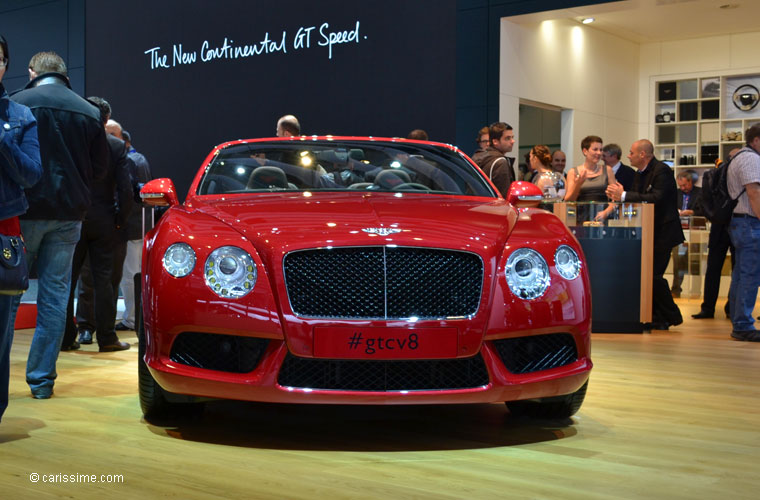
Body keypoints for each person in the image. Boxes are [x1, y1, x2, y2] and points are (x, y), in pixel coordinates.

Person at [10, 51, 109, 399]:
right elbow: (100, 170)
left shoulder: (17, 103)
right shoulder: (90, 111)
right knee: (55, 297)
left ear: (32, 72)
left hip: (21, 212)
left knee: (8, 295)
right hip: (69, 215)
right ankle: (41, 381)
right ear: (65, 75)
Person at [60, 97, 133, 352]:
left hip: (73, 217)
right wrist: (120, 220)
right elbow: (125, 189)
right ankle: (107, 338)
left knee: (66, 281)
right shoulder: (115, 145)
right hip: (105, 220)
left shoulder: (71, 142)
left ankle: (66, 337)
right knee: (105, 281)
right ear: (106, 117)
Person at [0, 34, 43, 420]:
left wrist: (1, 140)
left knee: (0, 339)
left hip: (3, 237)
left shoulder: (19, 116)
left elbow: (31, 175)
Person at [606, 139, 685, 330]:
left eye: (632, 152)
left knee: (654, 275)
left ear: (642, 155)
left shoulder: (661, 171)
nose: (628, 156)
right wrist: (622, 195)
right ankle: (658, 316)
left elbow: (656, 198)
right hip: (650, 231)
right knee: (649, 275)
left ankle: (672, 315)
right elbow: (638, 196)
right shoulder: (640, 174)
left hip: (663, 233)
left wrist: (623, 195)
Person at [693, 150, 741, 319]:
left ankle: (729, 306)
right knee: (716, 268)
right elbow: (705, 199)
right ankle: (711, 308)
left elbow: (705, 200)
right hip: (725, 224)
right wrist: (714, 216)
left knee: (735, 269)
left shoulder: (712, 174)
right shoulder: (713, 175)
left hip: (729, 223)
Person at [114, 127, 151, 332]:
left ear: (123, 141)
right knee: (136, 272)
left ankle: (131, 319)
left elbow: (128, 194)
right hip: (140, 225)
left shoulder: (128, 160)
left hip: (131, 226)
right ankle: (136, 317)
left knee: (129, 275)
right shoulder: (140, 158)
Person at [726, 124, 760, 342]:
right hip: (749, 223)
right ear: (756, 140)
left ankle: (739, 319)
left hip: (741, 223)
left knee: (741, 273)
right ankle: (742, 324)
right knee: (749, 274)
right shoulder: (750, 159)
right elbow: (754, 192)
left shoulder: (740, 157)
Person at [564, 135, 617, 221]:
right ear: (585, 151)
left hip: (603, 218)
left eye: (601, 150)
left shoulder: (607, 170)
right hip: (581, 219)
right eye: (595, 149)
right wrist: (578, 184)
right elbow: (569, 200)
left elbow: (616, 198)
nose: (599, 153)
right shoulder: (573, 172)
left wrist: (606, 212)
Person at [670, 169, 704, 298]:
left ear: (691, 182)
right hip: (679, 231)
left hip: (696, 232)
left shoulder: (700, 192)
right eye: (681, 185)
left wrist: (692, 212)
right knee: (678, 261)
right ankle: (676, 289)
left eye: (685, 185)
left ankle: (696, 291)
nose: (683, 188)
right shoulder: (675, 194)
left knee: (696, 263)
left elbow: (704, 210)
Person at [471, 122, 516, 197]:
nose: (512, 141)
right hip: (494, 207)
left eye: (512, 137)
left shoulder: (476, 158)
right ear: (495, 141)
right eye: (507, 138)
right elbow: (503, 197)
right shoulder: (500, 162)